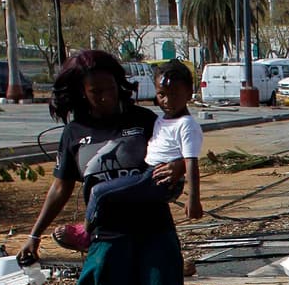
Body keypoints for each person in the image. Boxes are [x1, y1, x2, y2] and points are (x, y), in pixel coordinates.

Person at [17, 50, 193, 285]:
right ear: (81, 93)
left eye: (109, 88)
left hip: (153, 229)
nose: (104, 96)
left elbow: (181, 156)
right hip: (109, 237)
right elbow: (61, 186)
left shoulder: (146, 121)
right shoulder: (74, 134)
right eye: (95, 90)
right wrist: (34, 235)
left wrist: (177, 171)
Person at [52, 59, 204, 251]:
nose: (167, 100)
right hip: (145, 182)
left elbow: (191, 159)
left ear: (189, 93)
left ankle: (86, 234)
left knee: (99, 192)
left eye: (174, 94)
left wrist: (192, 196)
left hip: (153, 181)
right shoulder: (162, 120)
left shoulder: (167, 122)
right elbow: (60, 186)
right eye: (161, 94)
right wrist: (35, 234)